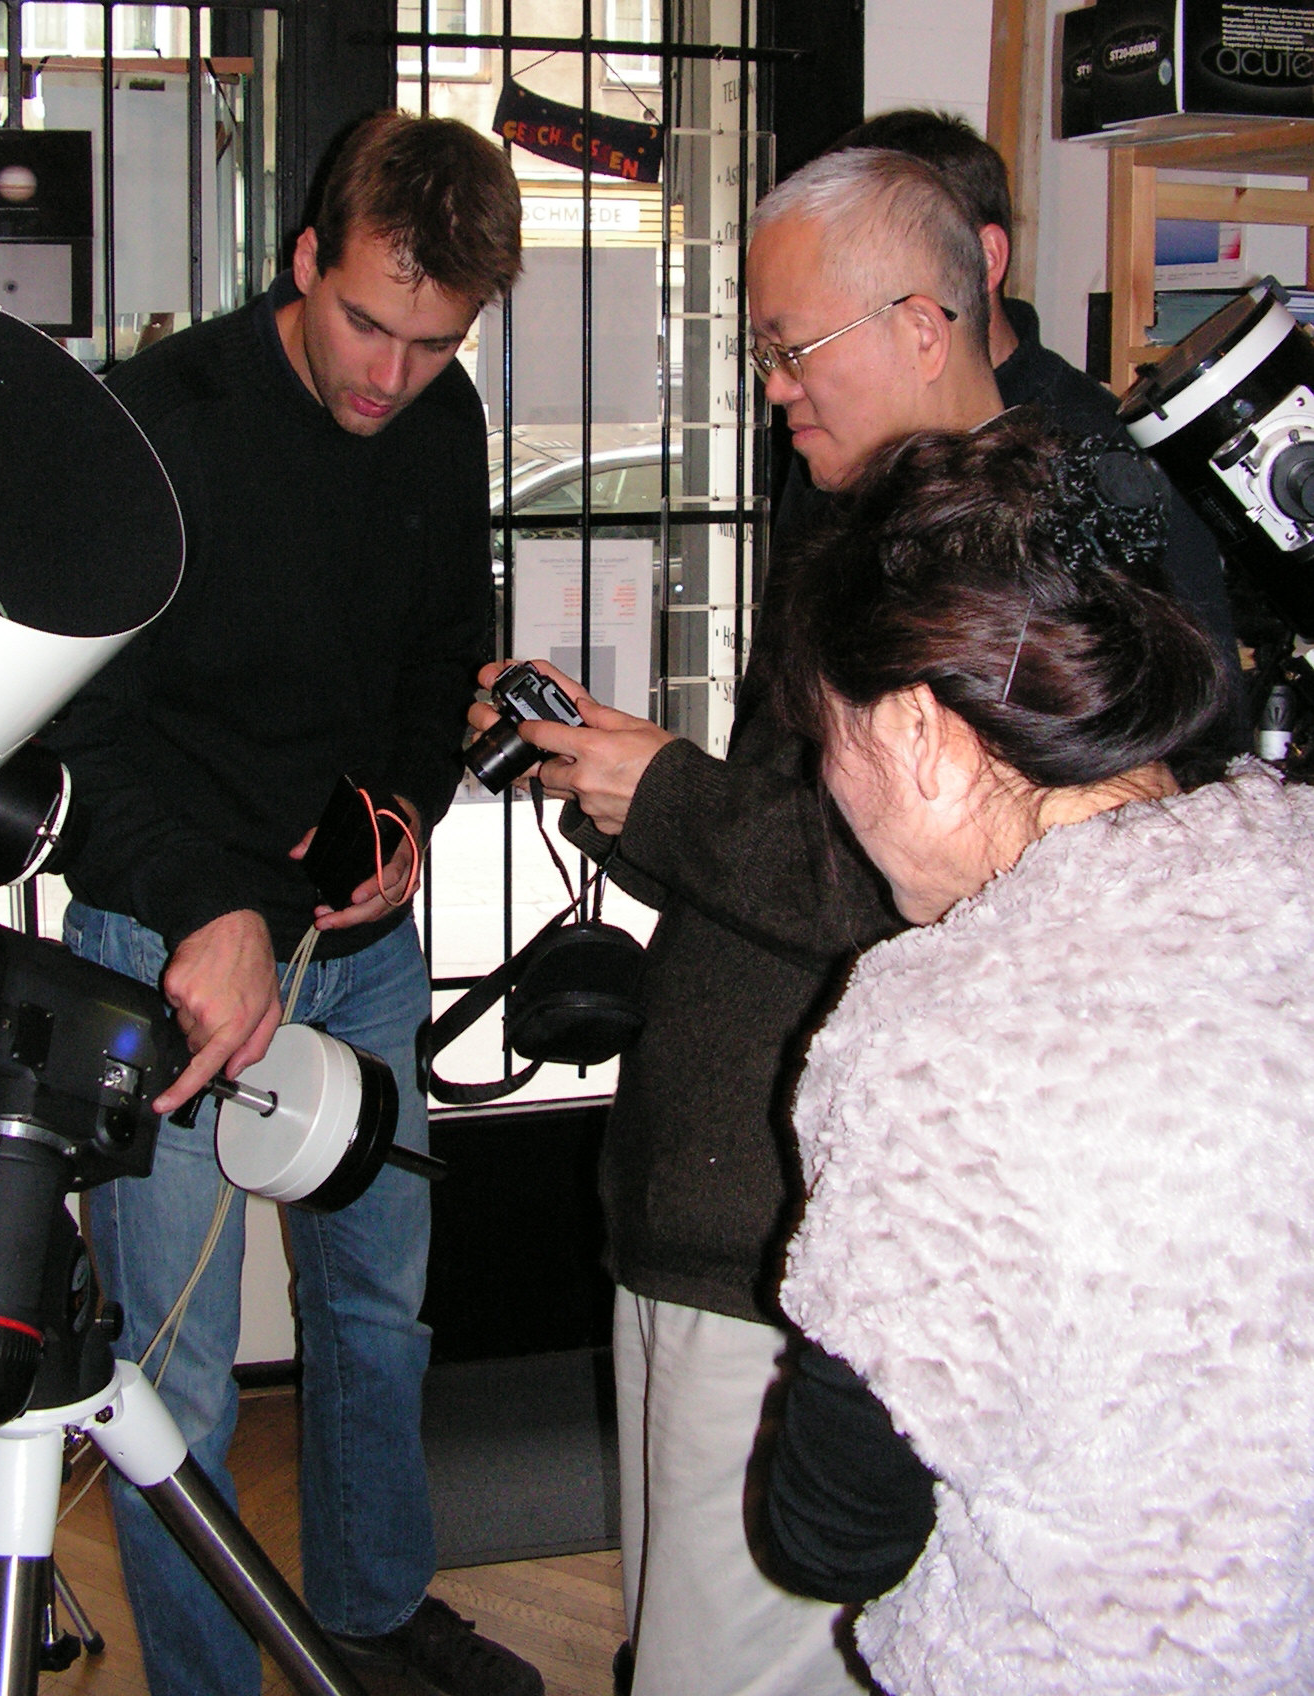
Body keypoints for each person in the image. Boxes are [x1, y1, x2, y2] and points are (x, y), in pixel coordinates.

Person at [471, 148, 1013, 1696]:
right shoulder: (866, 531)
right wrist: (623, 791)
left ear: (922, 323)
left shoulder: (1005, 565)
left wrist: (666, 793)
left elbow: (907, 888)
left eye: (791, 347)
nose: (770, 389)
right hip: (700, 1210)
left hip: (791, 1243)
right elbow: (781, 852)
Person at [46, 112, 539, 1696]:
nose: (393, 377)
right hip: (167, 947)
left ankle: (371, 1622)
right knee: (172, 1372)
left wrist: (410, 811)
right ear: (306, 256)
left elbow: (437, 654)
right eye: (368, 325)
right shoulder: (159, 421)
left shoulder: (442, 416)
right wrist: (211, 906)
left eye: (434, 342)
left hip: (358, 943)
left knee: (378, 1309)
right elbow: (75, 733)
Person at [768, 411, 1314, 1694]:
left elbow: (832, 1532)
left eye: (827, 738)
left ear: (916, 730)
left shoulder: (934, 1041)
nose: (830, 786)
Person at [783, 107, 1244, 701]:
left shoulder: (1098, 463)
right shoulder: (833, 431)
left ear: (983, 260)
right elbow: (784, 691)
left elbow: (1198, 719)